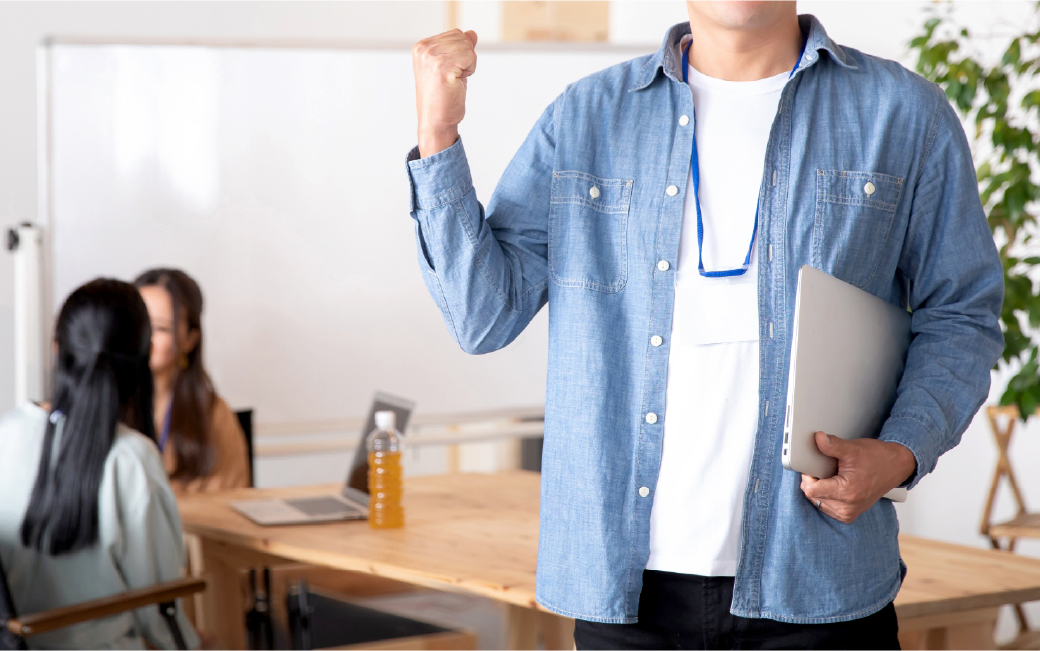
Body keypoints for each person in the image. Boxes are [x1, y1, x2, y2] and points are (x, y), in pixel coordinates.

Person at [407, 2, 1002, 649]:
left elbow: (962, 312)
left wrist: (902, 453)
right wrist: (438, 134)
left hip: (819, 580)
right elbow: (482, 316)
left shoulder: (903, 113)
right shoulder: (586, 116)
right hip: (626, 590)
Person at [0, 278, 199, 650]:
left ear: (57, 350)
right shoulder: (132, 458)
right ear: (143, 358)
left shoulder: (4, 436)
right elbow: (160, 608)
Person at [134, 268, 249, 495]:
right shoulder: (102, 405)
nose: (144, 337)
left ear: (189, 340)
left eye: (160, 328)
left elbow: (230, 504)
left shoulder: (213, 415)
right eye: (137, 323)